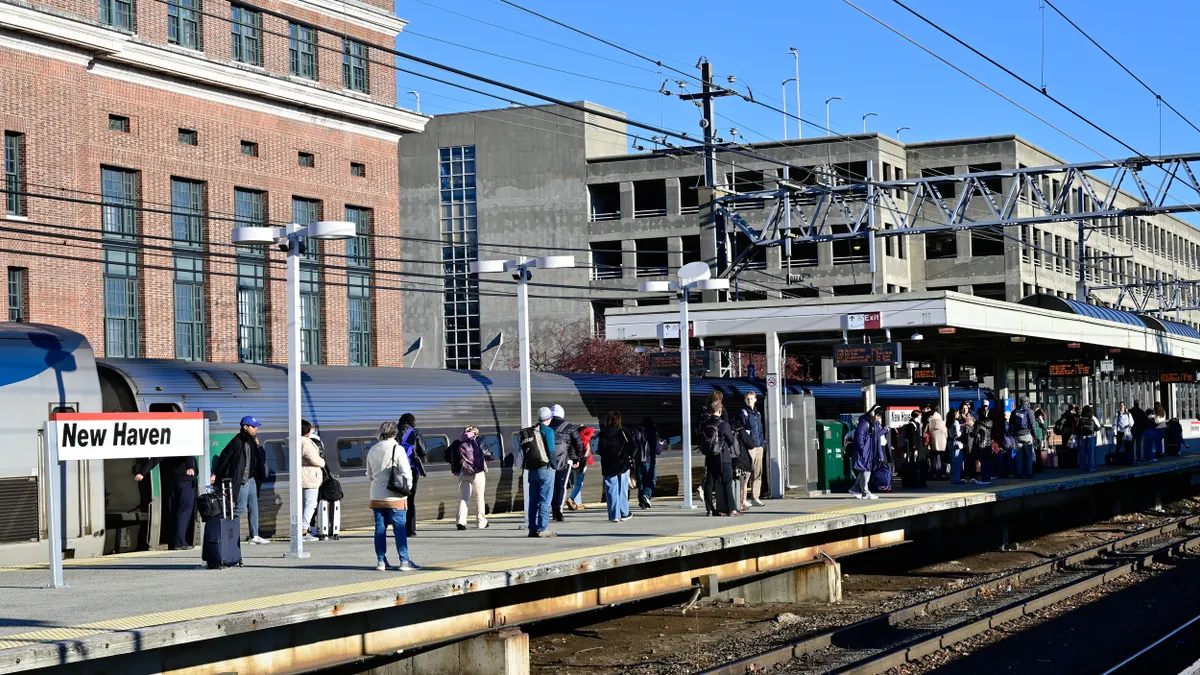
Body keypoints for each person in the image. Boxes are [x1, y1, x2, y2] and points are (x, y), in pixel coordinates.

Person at [365, 421, 420, 571]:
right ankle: (404, 561)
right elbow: (406, 473)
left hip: (376, 494)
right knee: (399, 528)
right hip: (395, 496)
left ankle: (381, 561)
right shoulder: (398, 448)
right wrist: (407, 490)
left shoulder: (373, 449)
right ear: (395, 433)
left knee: (380, 529)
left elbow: (369, 475)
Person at [211, 415, 270, 545]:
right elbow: (224, 458)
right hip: (242, 481)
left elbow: (256, 462)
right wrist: (215, 473)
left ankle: (254, 535)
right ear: (245, 427)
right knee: (240, 508)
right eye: (253, 427)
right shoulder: (237, 441)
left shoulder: (252, 442)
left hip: (252, 480)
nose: (256, 429)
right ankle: (226, 529)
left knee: (254, 508)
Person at [135, 454, 197, 550]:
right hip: (185, 478)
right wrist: (190, 467)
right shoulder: (184, 442)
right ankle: (179, 542)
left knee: (173, 511)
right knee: (184, 511)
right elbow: (188, 453)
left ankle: (173, 542)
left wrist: (142, 473)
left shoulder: (168, 443)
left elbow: (155, 458)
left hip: (171, 480)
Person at [448, 425, 493, 530]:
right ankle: (481, 522)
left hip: (463, 473)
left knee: (464, 498)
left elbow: (446, 455)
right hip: (477, 473)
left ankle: (461, 521)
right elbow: (488, 455)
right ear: (475, 432)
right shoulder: (478, 440)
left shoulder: (457, 442)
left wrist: (460, 464)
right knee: (479, 497)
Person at [699, 398, 739, 516]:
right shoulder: (723, 424)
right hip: (723, 458)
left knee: (709, 484)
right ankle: (732, 509)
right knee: (727, 483)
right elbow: (731, 441)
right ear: (720, 411)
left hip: (710, 458)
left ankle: (710, 509)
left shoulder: (704, 424)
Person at [548, 404, 584, 523]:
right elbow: (579, 443)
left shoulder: (545, 425)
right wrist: (576, 459)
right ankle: (558, 511)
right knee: (561, 486)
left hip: (547, 461)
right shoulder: (569, 427)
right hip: (564, 461)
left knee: (548, 486)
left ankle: (545, 510)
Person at [598, 411, 633, 522]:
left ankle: (614, 516)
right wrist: (627, 455)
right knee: (622, 489)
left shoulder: (603, 433)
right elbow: (633, 446)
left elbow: (600, 450)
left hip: (608, 465)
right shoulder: (623, 432)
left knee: (611, 490)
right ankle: (624, 512)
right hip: (622, 464)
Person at [528, 407, 557, 537]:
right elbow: (551, 450)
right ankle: (543, 528)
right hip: (545, 469)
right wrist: (555, 465)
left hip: (532, 470)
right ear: (549, 418)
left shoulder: (531, 430)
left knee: (533, 500)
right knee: (545, 500)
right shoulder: (548, 431)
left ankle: (532, 529)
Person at [397, 413, 426, 537]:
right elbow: (423, 451)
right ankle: (411, 530)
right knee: (410, 500)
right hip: (411, 469)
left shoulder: (394, 432)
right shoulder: (415, 432)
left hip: (396, 470)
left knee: (397, 499)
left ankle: (399, 528)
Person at [736, 392, 767, 507]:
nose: (749, 401)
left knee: (758, 473)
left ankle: (755, 497)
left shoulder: (758, 414)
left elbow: (760, 430)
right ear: (745, 400)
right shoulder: (743, 413)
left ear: (755, 400)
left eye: (751, 399)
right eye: (747, 399)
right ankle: (742, 499)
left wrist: (762, 443)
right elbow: (741, 430)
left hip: (759, 446)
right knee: (746, 473)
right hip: (749, 447)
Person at [850, 407, 884, 499]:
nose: (878, 419)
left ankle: (855, 488)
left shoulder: (872, 423)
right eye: (877, 416)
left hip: (869, 450)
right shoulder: (864, 423)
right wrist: (862, 450)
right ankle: (865, 492)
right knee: (866, 470)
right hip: (864, 451)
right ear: (872, 414)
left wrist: (884, 430)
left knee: (865, 470)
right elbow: (859, 438)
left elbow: (876, 436)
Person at [299, 420, 324, 542]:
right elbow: (315, 459)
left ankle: (302, 529)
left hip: (302, 476)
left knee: (303, 504)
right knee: (310, 504)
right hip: (309, 477)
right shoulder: (306, 442)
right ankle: (303, 530)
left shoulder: (296, 441)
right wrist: (322, 462)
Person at [567, 426, 595, 511]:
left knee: (576, 483)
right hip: (581, 463)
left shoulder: (573, 439)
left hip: (574, 462)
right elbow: (591, 429)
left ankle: (577, 503)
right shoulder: (584, 439)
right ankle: (571, 499)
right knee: (579, 483)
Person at [634, 417, 659, 509]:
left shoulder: (637, 432)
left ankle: (642, 503)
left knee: (641, 482)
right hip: (649, 461)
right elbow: (658, 450)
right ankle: (646, 495)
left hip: (638, 462)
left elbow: (633, 446)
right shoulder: (653, 434)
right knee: (651, 481)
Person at [899, 409, 927, 489]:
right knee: (915, 465)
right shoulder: (912, 425)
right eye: (920, 415)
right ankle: (915, 482)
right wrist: (914, 449)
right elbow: (913, 438)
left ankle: (918, 481)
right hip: (916, 448)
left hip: (918, 447)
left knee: (917, 465)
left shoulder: (916, 424)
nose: (921, 417)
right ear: (917, 416)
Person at [1010, 397, 1037, 479]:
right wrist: (1035, 436)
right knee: (1029, 455)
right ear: (1027, 402)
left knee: (1019, 455)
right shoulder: (1029, 411)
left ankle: (1019, 473)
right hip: (1027, 435)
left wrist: (1014, 434)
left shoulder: (1015, 411)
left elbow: (1011, 423)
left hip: (1018, 435)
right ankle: (1028, 473)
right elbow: (1033, 424)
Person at [973, 404, 994, 485]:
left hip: (982, 444)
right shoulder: (990, 422)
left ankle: (984, 479)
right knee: (987, 462)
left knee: (983, 462)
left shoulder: (979, 424)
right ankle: (987, 478)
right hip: (989, 444)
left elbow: (974, 433)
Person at [1077, 405, 1101, 472]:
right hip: (1091, 437)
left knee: (1082, 453)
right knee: (1091, 453)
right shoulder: (1093, 418)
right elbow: (1098, 427)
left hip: (1082, 437)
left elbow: (1077, 428)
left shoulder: (1080, 418)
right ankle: (1092, 468)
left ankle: (1082, 468)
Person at [926, 406, 947, 479]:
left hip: (933, 442)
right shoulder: (942, 422)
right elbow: (945, 433)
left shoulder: (930, 421)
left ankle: (933, 473)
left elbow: (926, 431)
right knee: (942, 458)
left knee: (933, 458)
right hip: (942, 443)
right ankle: (941, 473)